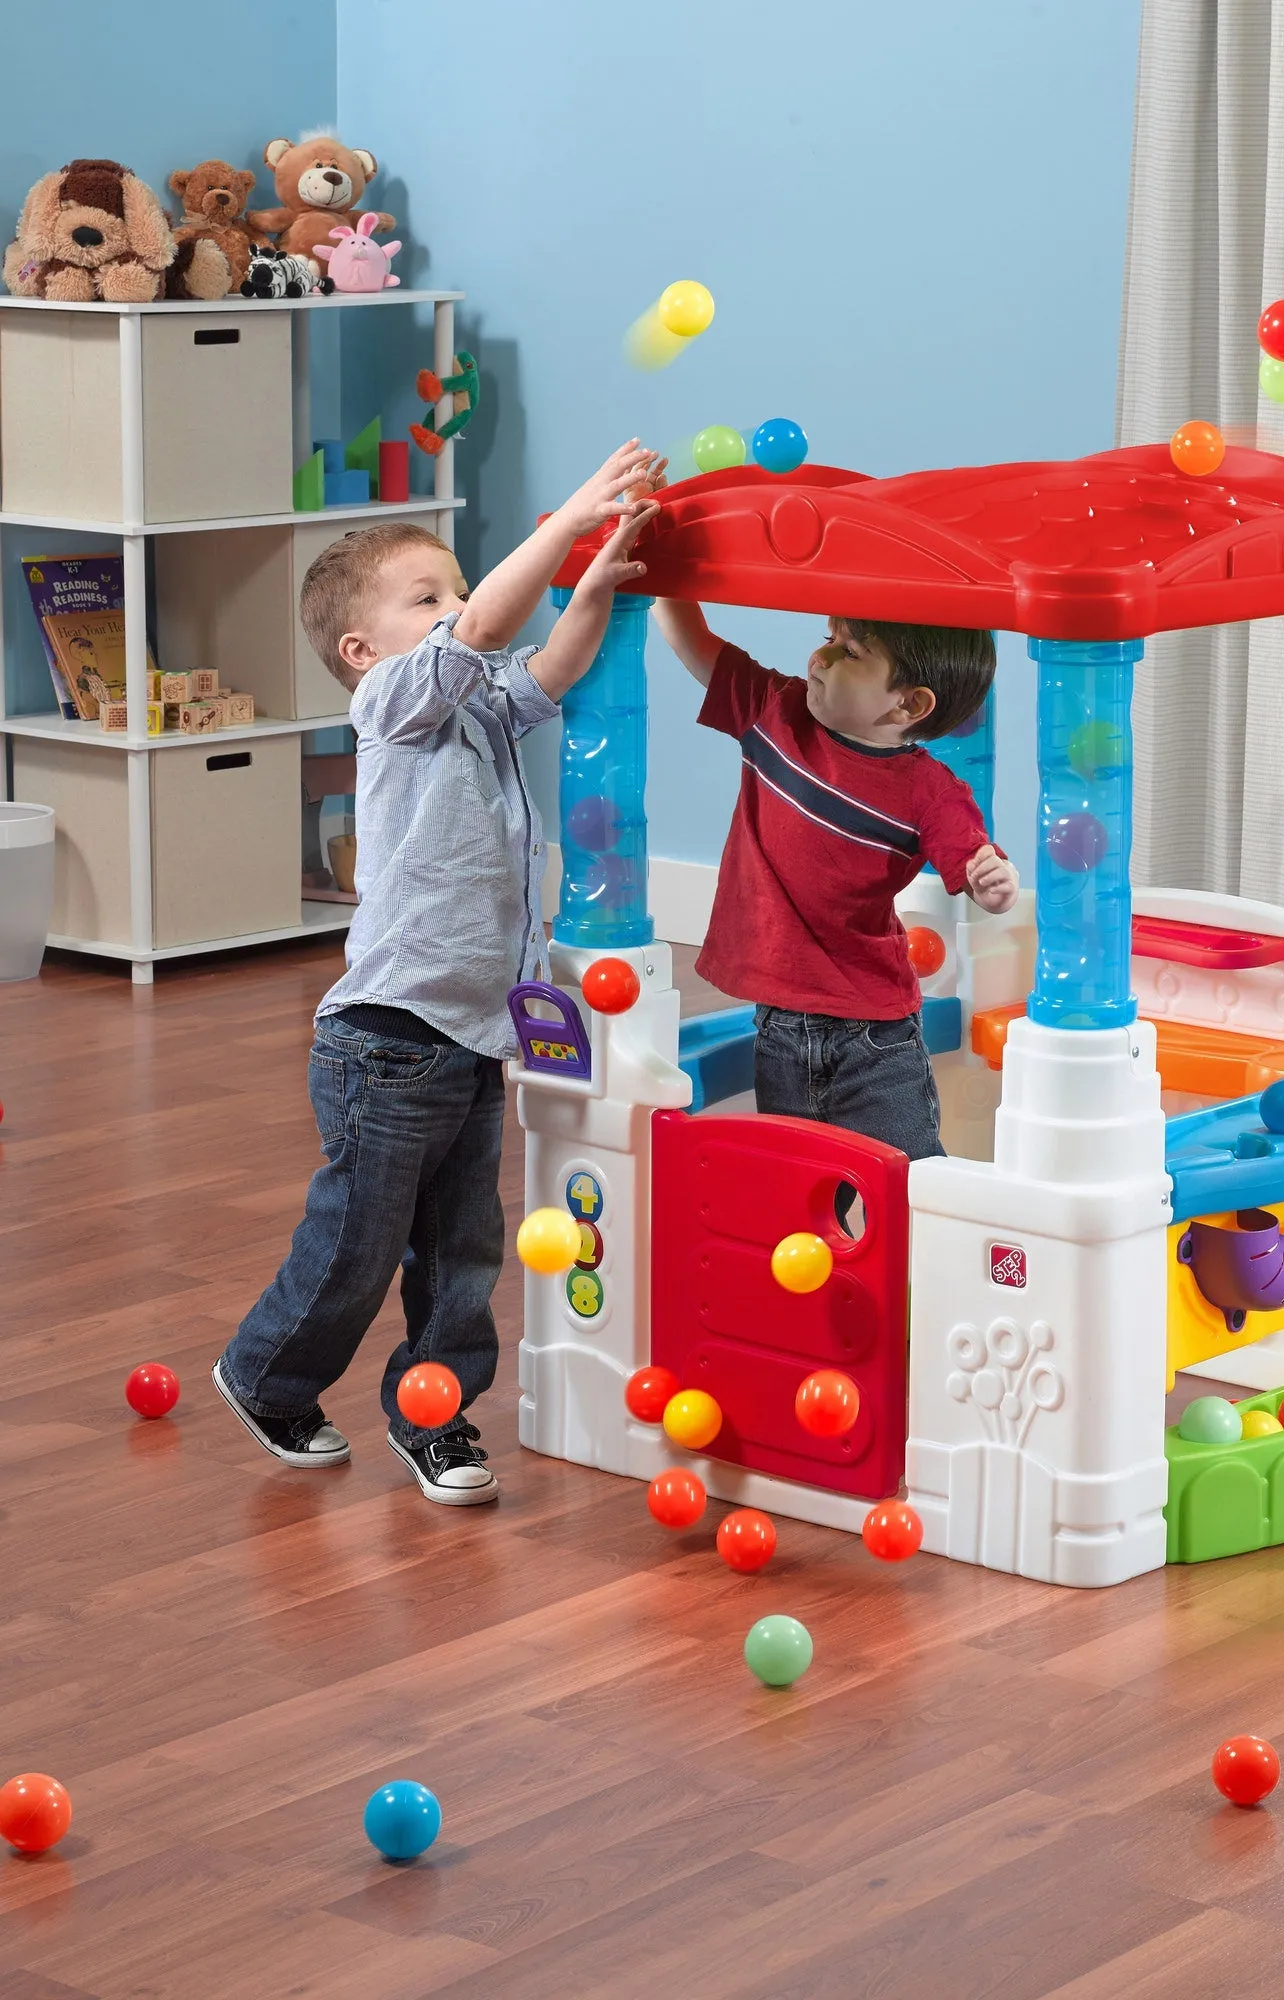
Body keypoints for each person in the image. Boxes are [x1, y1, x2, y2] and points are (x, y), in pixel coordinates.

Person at [213, 442, 660, 1503]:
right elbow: (493, 628)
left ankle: (435, 1411)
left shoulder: (470, 711)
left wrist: (590, 584)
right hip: (386, 1039)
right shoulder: (393, 707)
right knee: (360, 1242)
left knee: (463, 1250)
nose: (455, 606)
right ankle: (267, 1371)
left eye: (456, 587)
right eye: (430, 598)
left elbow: (544, 667)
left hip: (471, 1039)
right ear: (364, 649)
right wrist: (565, 522)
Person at [654, 599, 1019, 1164]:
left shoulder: (931, 791)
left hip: (874, 1036)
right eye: (828, 637)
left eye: (848, 651)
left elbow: (974, 864)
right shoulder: (773, 710)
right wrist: (658, 573)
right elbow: (690, 637)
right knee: (796, 1183)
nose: (819, 656)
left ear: (910, 704)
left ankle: (925, 1255)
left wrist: (994, 882)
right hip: (778, 1021)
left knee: (907, 1182)